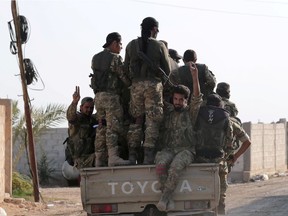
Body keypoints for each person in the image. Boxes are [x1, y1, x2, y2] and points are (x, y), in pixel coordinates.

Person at [155, 62, 202, 211]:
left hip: (186, 150)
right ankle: (168, 198)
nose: (178, 102)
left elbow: (196, 97)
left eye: (181, 100)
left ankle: (165, 198)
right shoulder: (168, 112)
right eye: (175, 99)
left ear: (185, 101)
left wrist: (195, 77)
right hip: (168, 149)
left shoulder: (190, 113)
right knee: (161, 164)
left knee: (175, 166)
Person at [124, 17, 171, 165]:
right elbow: (167, 70)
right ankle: (148, 156)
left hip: (136, 86)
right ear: (153, 29)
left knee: (136, 120)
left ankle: (132, 155)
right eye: (157, 29)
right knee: (152, 121)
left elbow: (126, 68)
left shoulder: (131, 45)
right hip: (153, 86)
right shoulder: (159, 45)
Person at [194, 93, 251, 215]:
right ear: (220, 105)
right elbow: (247, 142)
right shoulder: (228, 120)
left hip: (199, 164)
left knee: (200, 197)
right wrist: (234, 157)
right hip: (219, 164)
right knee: (220, 198)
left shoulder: (196, 117)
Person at [90, 32, 131, 167]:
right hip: (111, 97)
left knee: (101, 127)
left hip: (99, 97)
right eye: (120, 44)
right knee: (112, 127)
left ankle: (99, 159)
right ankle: (113, 157)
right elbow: (124, 77)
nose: (121, 47)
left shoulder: (95, 58)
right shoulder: (115, 58)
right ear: (114, 43)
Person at [65, 86, 97, 169]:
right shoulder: (77, 119)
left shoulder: (92, 120)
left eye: (91, 108)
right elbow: (71, 117)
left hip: (90, 156)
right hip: (80, 160)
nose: (89, 110)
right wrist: (74, 102)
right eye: (86, 107)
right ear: (81, 107)